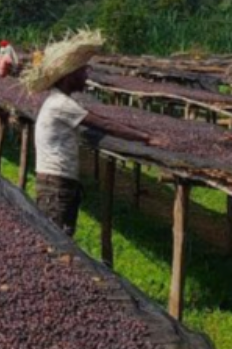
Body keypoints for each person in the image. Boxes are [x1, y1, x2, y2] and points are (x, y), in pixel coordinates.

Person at [21, 30, 155, 236]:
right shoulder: (61, 104)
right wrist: (146, 137)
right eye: (82, 72)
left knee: (56, 236)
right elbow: (103, 124)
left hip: (54, 181)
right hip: (56, 184)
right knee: (56, 239)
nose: (86, 76)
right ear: (69, 76)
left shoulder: (58, 101)